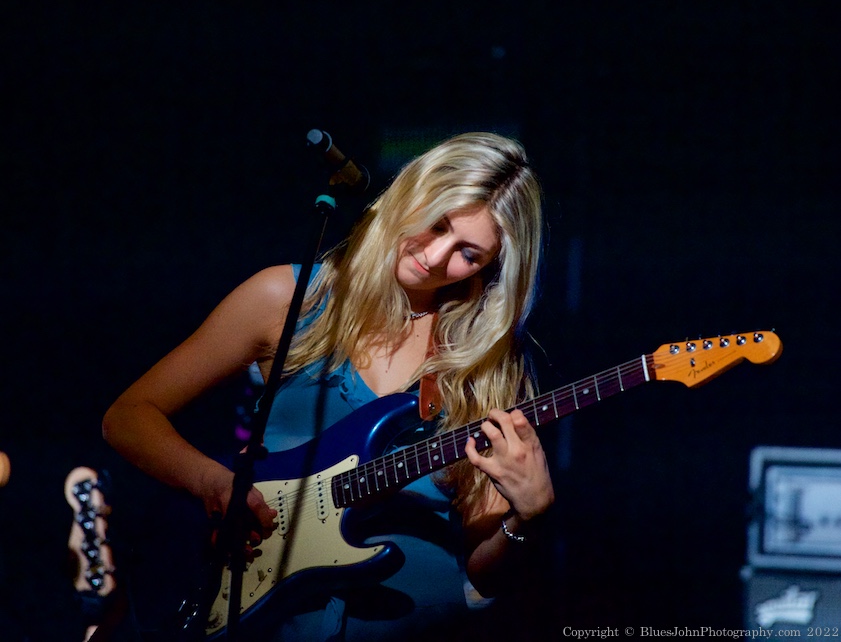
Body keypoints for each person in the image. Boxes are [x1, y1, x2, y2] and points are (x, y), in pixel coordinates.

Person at [102, 132, 556, 640]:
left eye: (467, 254)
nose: (435, 255)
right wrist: (212, 482)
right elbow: (129, 414)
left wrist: (526, 517)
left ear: (490, 270)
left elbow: (482, 572)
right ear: (414, 192)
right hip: (267, 619)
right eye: (438, 223)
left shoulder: (487, 367)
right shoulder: (288, 296)